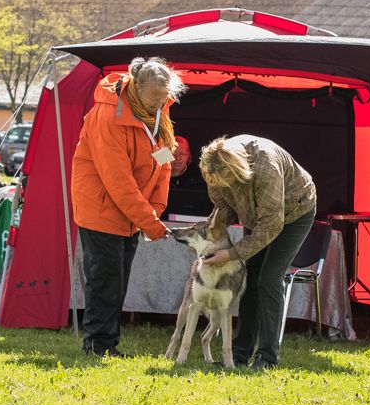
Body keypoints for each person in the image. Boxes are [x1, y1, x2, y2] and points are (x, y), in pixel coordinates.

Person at [71, 56, 185, 358]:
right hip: (101, 210)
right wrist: (150, 221)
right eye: (153, 100)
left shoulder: (160, 112)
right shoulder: (107, 117)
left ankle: (106, 343)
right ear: (136, 88)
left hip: (131, 215)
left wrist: (156, 208)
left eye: (164, 100)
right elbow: (118, 183)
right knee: (105, 279)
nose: (158, 106)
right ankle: (97, 345)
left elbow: (163, 162)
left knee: (118, 279)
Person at [200, 135, 317, 370]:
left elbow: (271, 225)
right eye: (214, 183)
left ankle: (267, 358)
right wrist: (215, 231)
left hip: (294, 212)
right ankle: (239, 354)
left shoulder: (266, 166)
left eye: (225, 182)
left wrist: (231, 254)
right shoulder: (212, 167)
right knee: (250, 279)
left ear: (236, 170)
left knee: (268, 279)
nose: (218, 186)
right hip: (257, 214)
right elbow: (225, 205)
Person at [165, 136, 213, 218]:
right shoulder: (157, 178)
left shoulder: (201, 178)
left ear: (188, 156)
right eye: (173, 153)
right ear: (167, 155)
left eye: (182, 154)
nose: (178, 158)